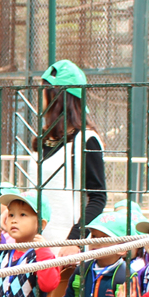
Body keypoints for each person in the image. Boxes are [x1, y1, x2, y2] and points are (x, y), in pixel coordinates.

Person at [33, 60, 107, 245]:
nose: (39, 97)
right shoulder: (42, 138)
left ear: (56, 96)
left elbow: (98, 198)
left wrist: (75, 239)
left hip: (66, 246)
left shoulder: (86, 140)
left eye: (44, 90)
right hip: (35, 242)